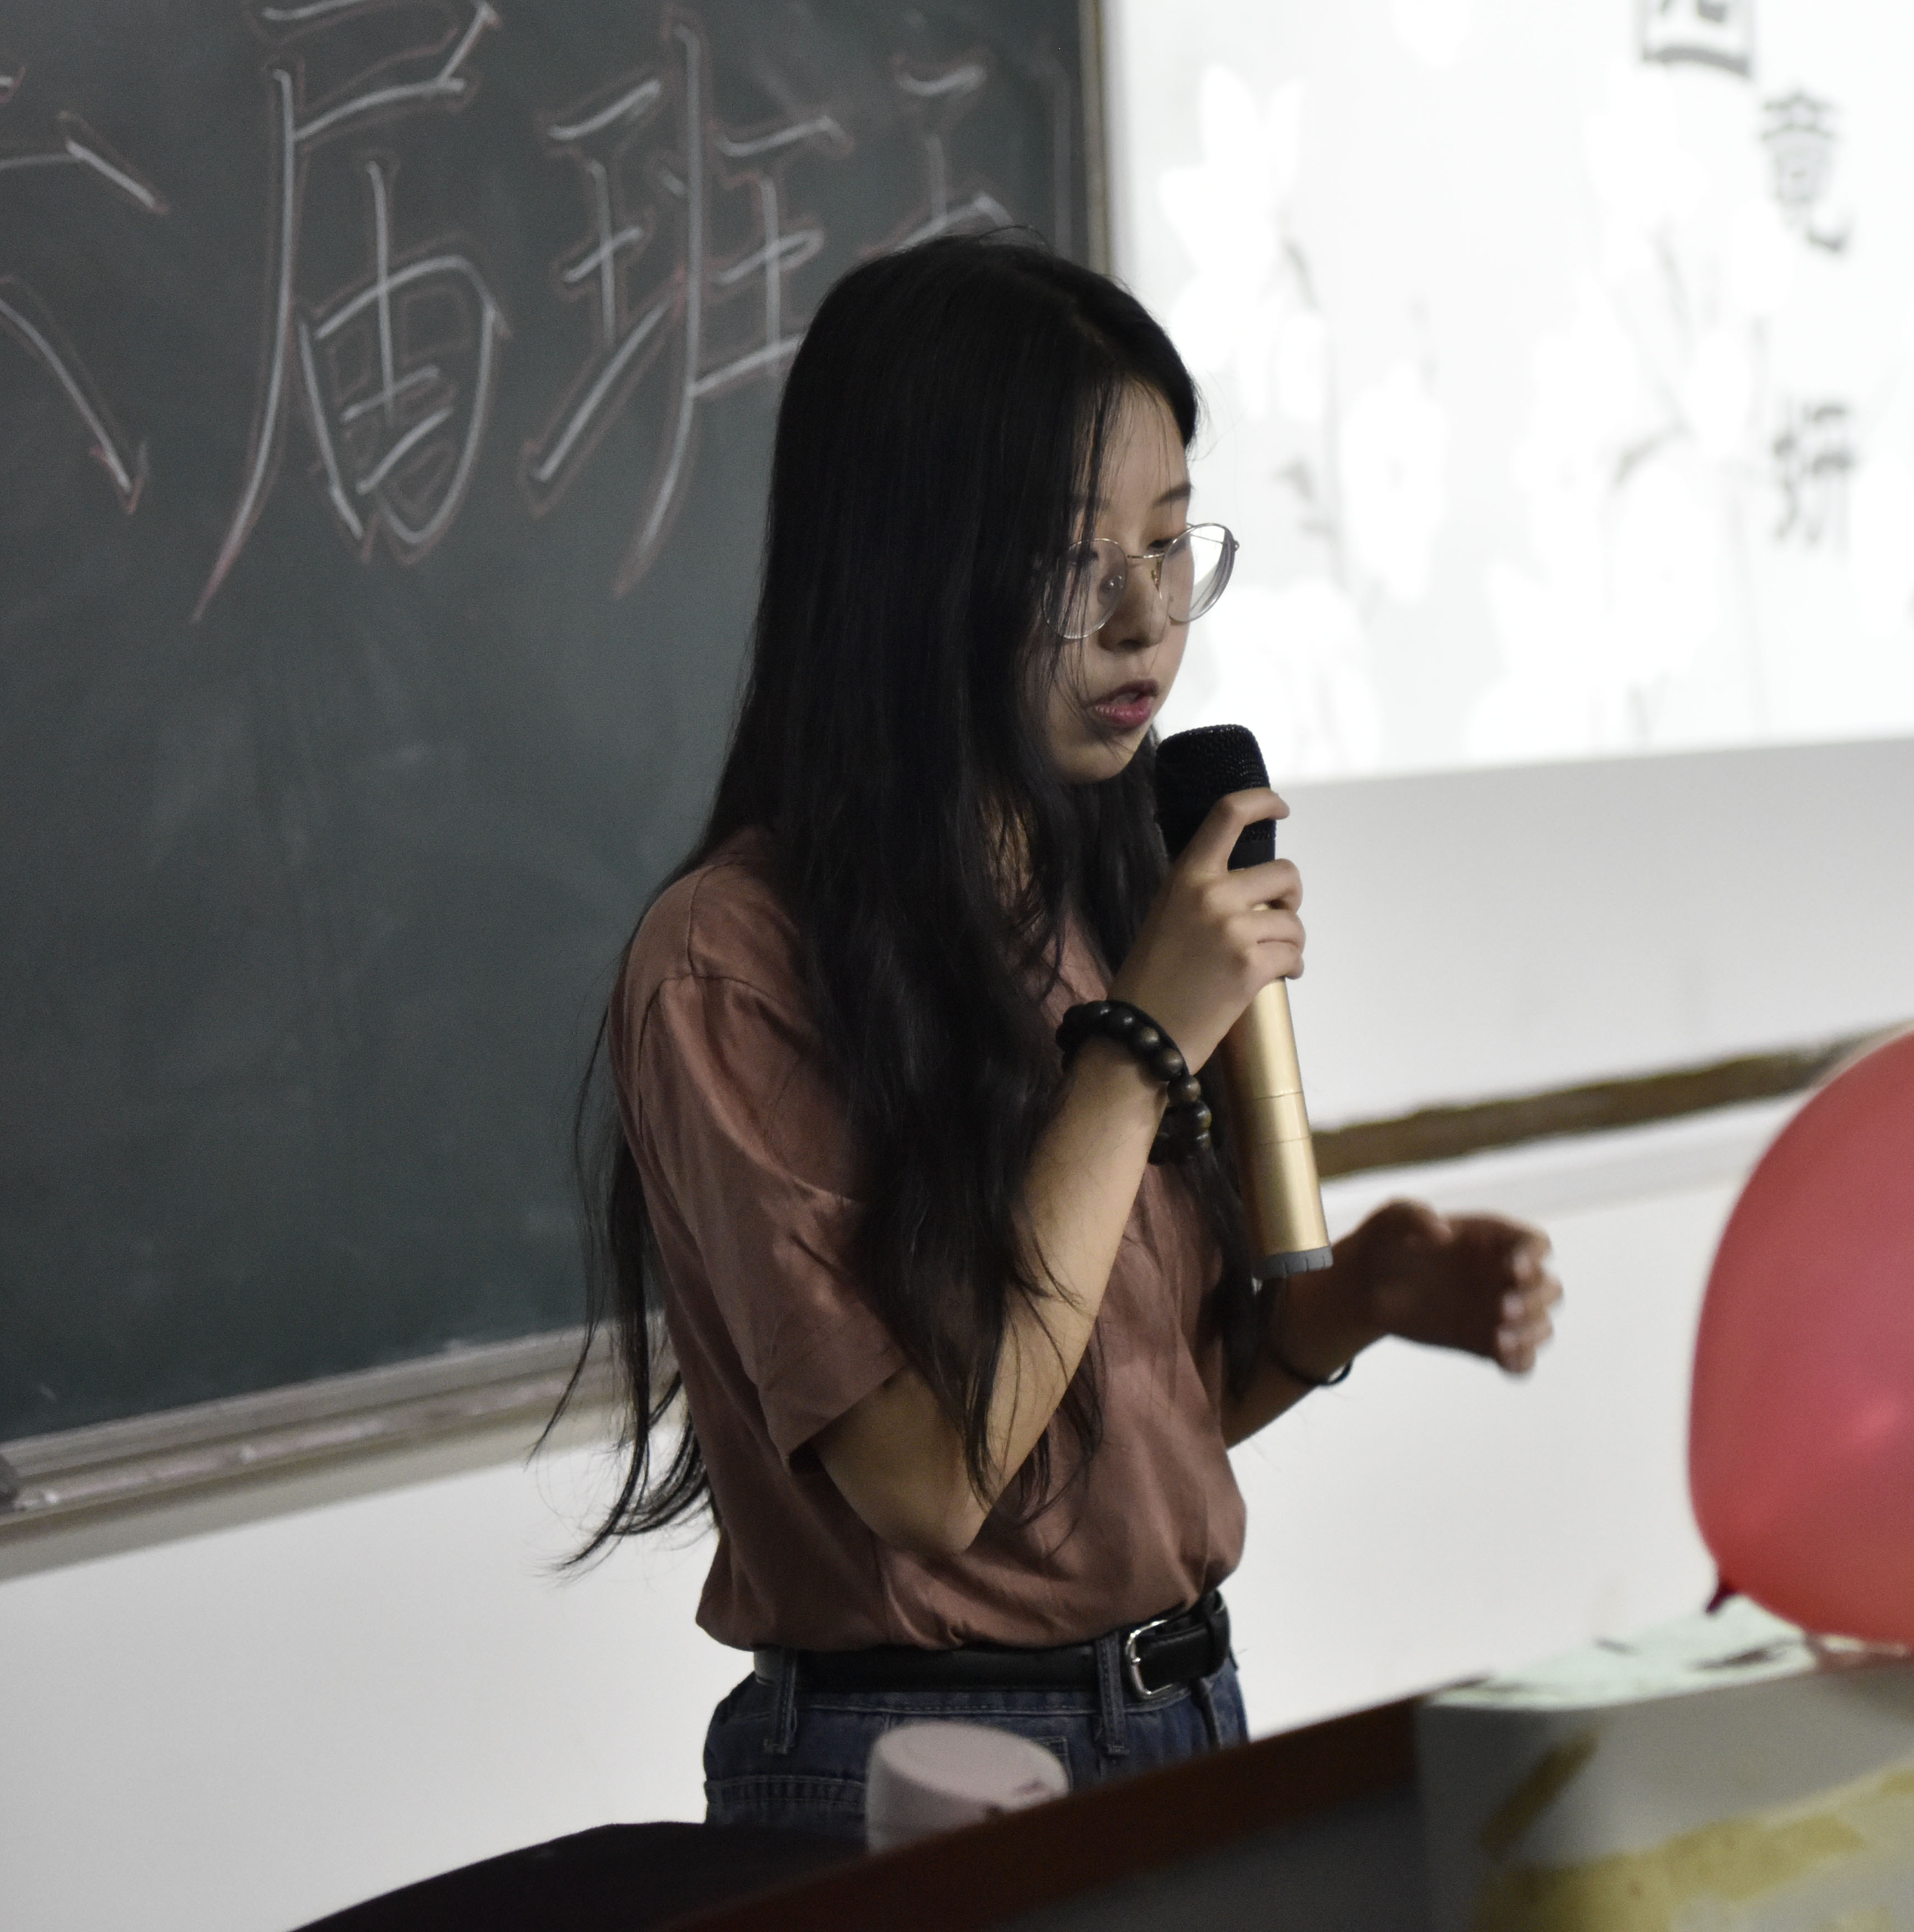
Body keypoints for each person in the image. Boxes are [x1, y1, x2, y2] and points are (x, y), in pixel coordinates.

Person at [576, 234, 1562, 1841]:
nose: (1144, 619)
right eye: (1070, 558)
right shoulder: (731, 963)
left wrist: (1351, 1306)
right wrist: (1139, 1040)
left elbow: (1088, 1429)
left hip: (1181, 1711)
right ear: (908, 570)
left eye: (1172, 544)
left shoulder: (1105, 883)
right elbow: (931, 1479)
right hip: (913, 1764)